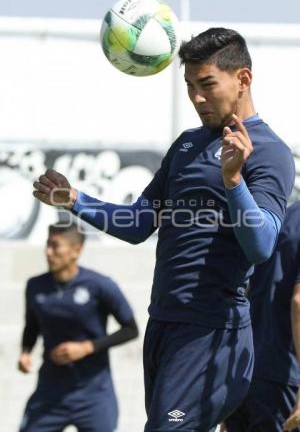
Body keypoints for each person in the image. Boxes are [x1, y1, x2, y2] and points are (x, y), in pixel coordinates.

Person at [33, 28, 295, 432]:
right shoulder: (187, 145)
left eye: (207, 84)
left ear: (243, 79)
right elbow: (139, 223)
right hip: (164, 324)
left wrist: (233, 180)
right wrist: (74, 200)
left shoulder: (269, 152)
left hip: (211, 333)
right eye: (190, 86)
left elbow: (260, 246)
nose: (197, 98)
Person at [18, 221, 138, 432]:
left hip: (93, 394)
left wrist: (87, 347)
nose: (48, 252)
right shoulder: (35, 286)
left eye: (55, 246)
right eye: (47, 245)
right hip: (50, 391)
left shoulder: (100, 284)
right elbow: (32, 325)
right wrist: (25, 352)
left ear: (76, 250)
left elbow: (131, 329)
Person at [221, 201, 300, 432]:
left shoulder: (283, 216)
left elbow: (242, 292)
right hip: (283, 378)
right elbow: (298, 302)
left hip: (242, 371)